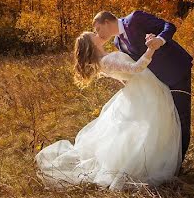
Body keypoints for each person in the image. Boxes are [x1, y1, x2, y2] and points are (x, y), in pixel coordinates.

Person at [34, 31, 182, 190]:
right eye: (93, 34)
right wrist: (151, 48)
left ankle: (150, 159)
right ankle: (139, 164)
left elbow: (125, 77)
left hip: (142, 90)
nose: (97, 34)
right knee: (144, 130)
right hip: (145, 92)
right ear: (92, 43)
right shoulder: (106, 61)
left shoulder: (104, 60)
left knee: (140, 130)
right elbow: (136, 68)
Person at [93, 10, 193, 163]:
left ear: (107, 22)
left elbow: (169, 26)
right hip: (157, 82)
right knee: (168, 120)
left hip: (175, 71)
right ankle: (167, 160)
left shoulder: (135, 19)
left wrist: (159, 40)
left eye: (98, 29)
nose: (98, 34)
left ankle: (179, 165)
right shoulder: (117, 42)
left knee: (181, 118)